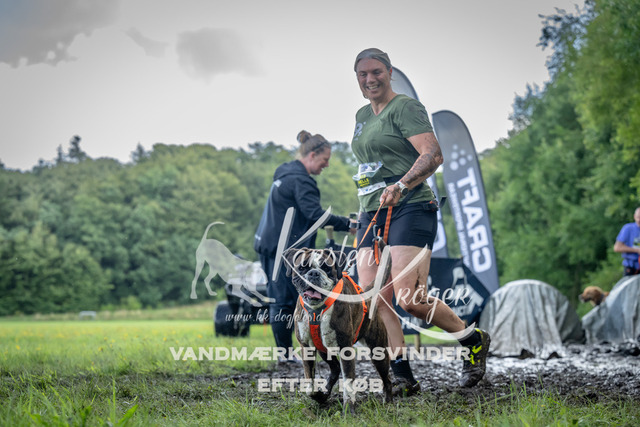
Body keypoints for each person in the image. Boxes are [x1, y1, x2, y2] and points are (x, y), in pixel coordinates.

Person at [351, 48, 490, 393]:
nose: (370, 79)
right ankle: (403, 376)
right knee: (374, 298)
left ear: (389, 72)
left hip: (410, 206)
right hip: (372, 211)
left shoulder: (406, 108)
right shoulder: (361, 115)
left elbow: (433, 154)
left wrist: (401, 185)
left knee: (410, 298)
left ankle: (472, 340)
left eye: (376, 72)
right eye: (363, 74)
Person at [254, 130, 353, 362]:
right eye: (324, 159)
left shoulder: (284, 173)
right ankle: (286, 356)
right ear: (312, 155)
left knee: (286, 299)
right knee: (284, 302)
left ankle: (290, 353)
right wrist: (348, 224)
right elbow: (315, 215)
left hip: (269, 244)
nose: (326, 165)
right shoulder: (301, 180)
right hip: (283, 250)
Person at [613, 207, 640, 276]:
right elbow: (617, 248)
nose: (639, 220)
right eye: (638, 217)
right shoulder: (628, 228)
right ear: (634, 216)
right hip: (631, 267)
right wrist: (637, 250)